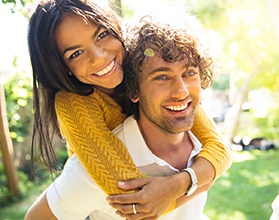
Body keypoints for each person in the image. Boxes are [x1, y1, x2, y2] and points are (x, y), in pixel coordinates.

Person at [25, 0, 232, 218]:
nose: (99, 57)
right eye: (75, 53)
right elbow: (136, 196)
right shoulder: (74, 104)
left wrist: (181, 183)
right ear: (61, 68)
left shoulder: (144, 66)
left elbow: (219, 149)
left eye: (101, 35)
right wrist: (199, 182)